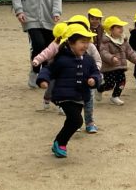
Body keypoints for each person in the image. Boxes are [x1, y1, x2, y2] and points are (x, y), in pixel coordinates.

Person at [37, 23, 101, 158]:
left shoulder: (88, 60)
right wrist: (43, 80)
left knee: (72, 121)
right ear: (71, 42)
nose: (85, 45)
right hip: (64, 95)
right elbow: (48, 69)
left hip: (80, 95)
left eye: (87, 42)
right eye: (82, 42)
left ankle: (59, 144)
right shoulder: (61, 59)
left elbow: (96, 72)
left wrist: (94, 79)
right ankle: (60, 143)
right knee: (77, 120)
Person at [97, 15, 136, 105]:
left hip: (121, 66)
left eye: (121, 27)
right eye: (118, 27)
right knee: (110, 84)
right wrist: (112, 58)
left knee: (122, 82)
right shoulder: (106, 41)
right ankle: (99, 89)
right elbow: (103, 53)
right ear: (110, 29)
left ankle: (115, 96)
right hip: (109, 68)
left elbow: (129, 51)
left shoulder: (123, 40)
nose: (121, 29)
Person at [32, 22, 70, 111]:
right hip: (54, 70)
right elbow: (45, 53)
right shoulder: (54, 45)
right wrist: (37, 60)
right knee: (51, 87)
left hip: (66, 71)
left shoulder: (71, 44)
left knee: (63, 88)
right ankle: (47, 98)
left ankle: (62, 105)